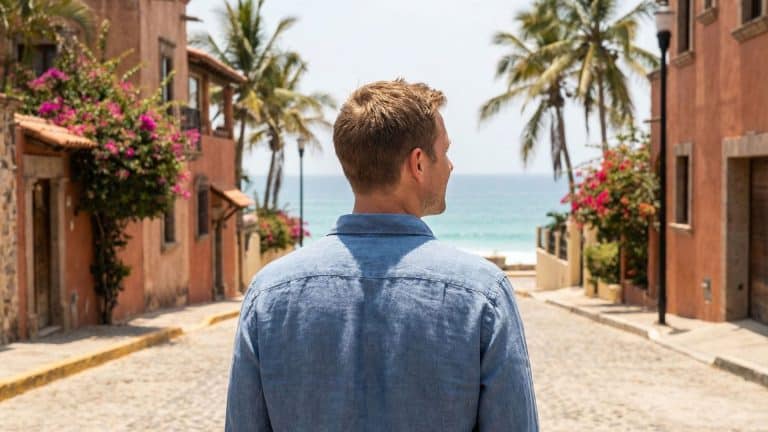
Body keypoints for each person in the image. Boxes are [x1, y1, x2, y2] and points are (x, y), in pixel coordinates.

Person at [226, 79, 539, 431]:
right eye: (445, 151)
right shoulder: (484, 294)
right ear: (418, 163)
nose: (450, 165)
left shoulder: (268, 294)